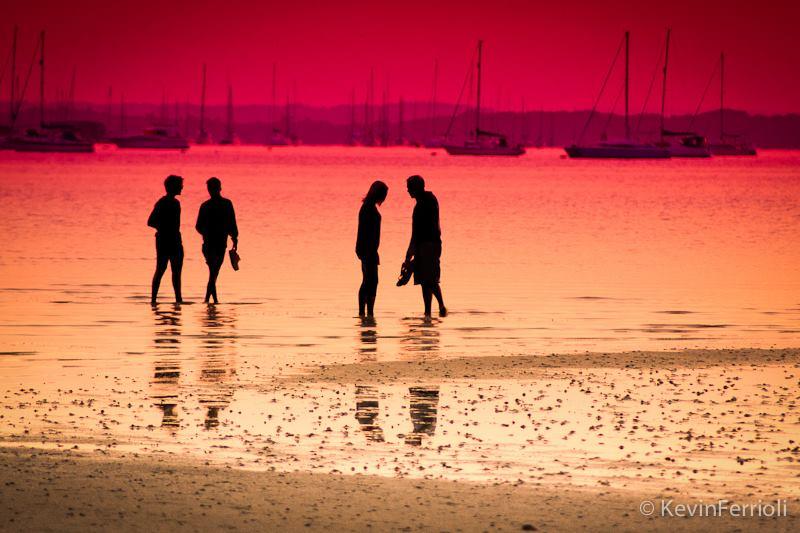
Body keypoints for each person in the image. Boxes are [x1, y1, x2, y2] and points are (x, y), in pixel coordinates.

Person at [405, 175, 446, 317]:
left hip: (427, 245)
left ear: (416, 188)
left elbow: (416, 231)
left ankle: (438, 307)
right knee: (426, 280)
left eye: (409, 187)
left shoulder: (423, 203)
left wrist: (409, 254)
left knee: (428, 279)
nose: (407, 190)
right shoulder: (429, 200)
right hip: (430, 244)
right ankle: (429, 311)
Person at [195, 177, 238, 304]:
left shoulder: (208, 205)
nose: (211, 191)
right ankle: (210, 300)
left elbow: (198, 226)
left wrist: (234, 237)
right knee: (214, 272)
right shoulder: (225, 204)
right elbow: (232, 224)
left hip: (215, 244)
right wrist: (234, 237)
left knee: (213, 271)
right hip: (214, 244)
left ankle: (211, 301)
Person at [148, 174, 184, 304]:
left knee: (176, 271)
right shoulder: (162, 202)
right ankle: (153, 300)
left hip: (175, 239)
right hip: (165, 240)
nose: (182, 187)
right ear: (173, 186)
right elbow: (150, 221)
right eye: (180, 185)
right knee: (161, 269)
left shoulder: (176, 202)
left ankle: (178, 300)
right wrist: (164, 229)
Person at [356, 180, 388, 318]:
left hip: (369, 250)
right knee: (371, 280)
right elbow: (363, 231)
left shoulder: (368, 207)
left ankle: (366, 312)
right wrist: (365, 251)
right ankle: (367, 312)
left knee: (369, 280)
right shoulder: (368, 209)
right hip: (368, 250)